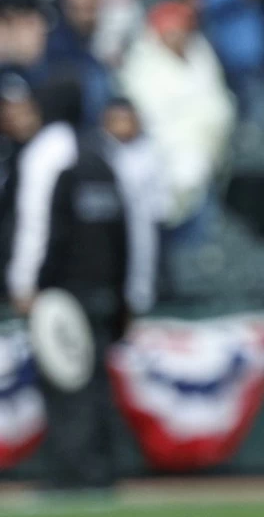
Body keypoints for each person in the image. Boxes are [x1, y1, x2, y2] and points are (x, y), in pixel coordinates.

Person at [8, 74, 155, 493]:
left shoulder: (45, 154)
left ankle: (71, 475)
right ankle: (103, 469)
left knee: (65, 382)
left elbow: (37, 227)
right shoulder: (106, 152)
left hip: (62, 292)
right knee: (97, 380)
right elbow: (131, 230)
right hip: (106, 291)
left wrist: (26, 283)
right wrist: (130, 291)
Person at [117, 0, 235, 245]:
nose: (178, 36)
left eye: (182, 29)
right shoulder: (142, 67)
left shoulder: (200, 54)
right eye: (172, 31)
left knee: (201, 245)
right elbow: (152, 120)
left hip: (207, 164)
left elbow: (218, 102)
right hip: (163, 171)